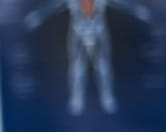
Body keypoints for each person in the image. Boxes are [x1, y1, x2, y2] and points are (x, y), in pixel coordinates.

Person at [23, 0, 151, 115]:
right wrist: (37, 16)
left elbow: (122, 3)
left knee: (103, 65)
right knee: (77, 67)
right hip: (78, 31)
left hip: (98, 30)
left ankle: (107, 98)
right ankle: (76, 99)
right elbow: (53, 6)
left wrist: (138, 11)